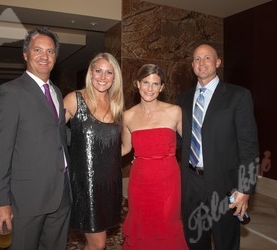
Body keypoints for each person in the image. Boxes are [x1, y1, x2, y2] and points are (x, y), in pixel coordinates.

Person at [0, 27, 72, 250]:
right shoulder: (9, 93)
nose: (45, 56)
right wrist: (0, 202)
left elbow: (57, 137)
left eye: (51, 51)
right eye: (38, 50)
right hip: (26, 201)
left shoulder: (56, 92)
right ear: (25, 54)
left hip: (60, 195)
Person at [178, 43, 259, 250]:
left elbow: (248, 145)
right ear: (192, 65)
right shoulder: (183, 99)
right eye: (197, 59)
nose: (201, 63)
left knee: (226, 242)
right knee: (194, 239)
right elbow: (178, 139)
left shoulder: (238, 95)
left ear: (218, 62)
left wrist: (245, 187)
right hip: (190, 184)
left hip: (224, 185)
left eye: (207, 58)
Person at [121, 64, 188, 250]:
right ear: (137, 83)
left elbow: (191, 145)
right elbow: (125, 148)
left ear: (162, 87)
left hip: (168, 183)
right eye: (145, 82)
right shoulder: (127, 116)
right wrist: (94, 154)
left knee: (166, 227)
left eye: (155, 84)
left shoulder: (174, 111)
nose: (150, 88)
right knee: (142, 227)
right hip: (140, 182)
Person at [63, 52, 124, 250]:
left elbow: (121, 146)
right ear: (90, 72)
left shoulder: (117, 106)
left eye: (109, 72)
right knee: (98, 243)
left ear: (115, 78)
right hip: (85, 185)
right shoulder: (74, 99)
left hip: (109, 184)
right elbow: (49, 135)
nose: (103, 77)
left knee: (98, 241)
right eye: (98, 71)